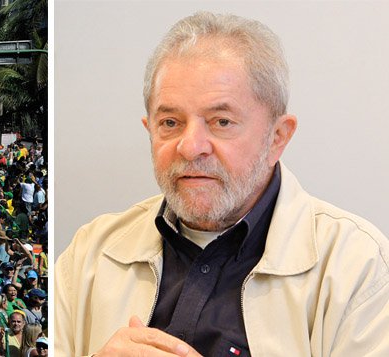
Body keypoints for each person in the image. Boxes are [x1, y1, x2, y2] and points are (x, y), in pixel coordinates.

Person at [54, 11, 389, 356]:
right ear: (149, 130)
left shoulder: (356, 267)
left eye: (221, 122)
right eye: (170, 122)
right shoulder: (88, 256)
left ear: (277, 137)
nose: (191, 146)